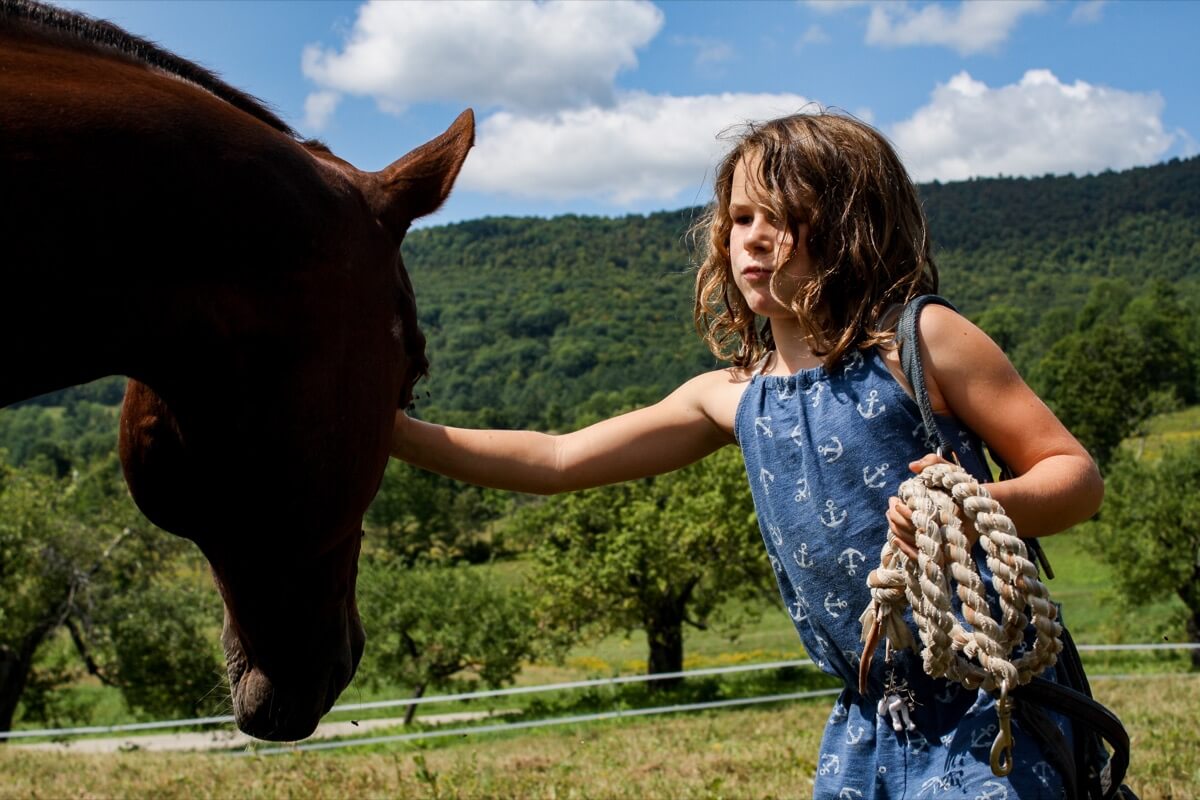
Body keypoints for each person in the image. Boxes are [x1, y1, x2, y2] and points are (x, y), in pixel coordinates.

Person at [390, 112, 1103, 799]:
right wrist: (393, 433)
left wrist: (978, 508)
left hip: (992, 700)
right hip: (866, 720)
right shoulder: (729, 398)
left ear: (855, 228)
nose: (756, 239)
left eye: (786, 218)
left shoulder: (921, 342)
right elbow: (557, 458)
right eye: (741, 218)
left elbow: (1074, 477)